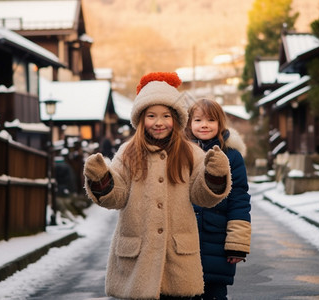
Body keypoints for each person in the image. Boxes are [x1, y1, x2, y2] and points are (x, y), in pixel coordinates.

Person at [83, 72, 232, 300]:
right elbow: (118, 197)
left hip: (177, 261)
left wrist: (216, 174)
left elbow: (203, 196)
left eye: (165, 116)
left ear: (177, 118)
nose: (159, 122)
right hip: (136, 261)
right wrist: (101, 179)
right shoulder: (128, 152)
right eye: (151, 115)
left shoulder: (191, 153)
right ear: (141, 119)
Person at [185, 98, 251, 300]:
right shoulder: (181, 154)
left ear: (220, 123)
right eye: (197, 120)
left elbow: (239, 199)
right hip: (183, 237)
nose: (204, 125)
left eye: (211, 120)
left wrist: (237, 244)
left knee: (214, 293)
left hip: (217, 236)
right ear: (188, 124)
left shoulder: (232, 157)